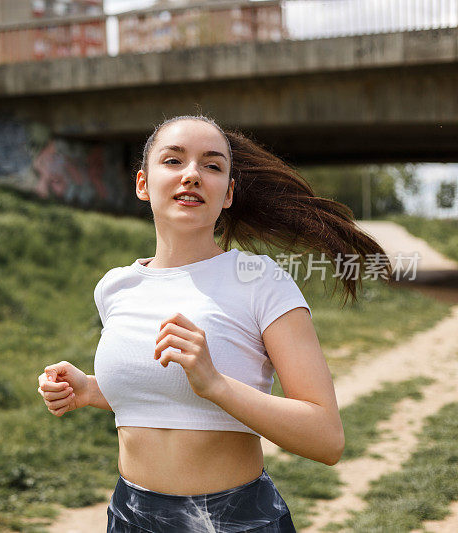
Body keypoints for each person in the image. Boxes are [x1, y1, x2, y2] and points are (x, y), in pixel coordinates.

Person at [37, 114, 392, 532]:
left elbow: (326, 438)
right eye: (173, 161)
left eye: (212, 165)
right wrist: (93, 389)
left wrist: (216, 384)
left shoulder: (261, 281)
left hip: (235, 521)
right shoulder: (115, 287)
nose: (192, 175)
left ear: (227, 194)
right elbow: (166, 396)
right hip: (129, 517)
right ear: (143, 184)